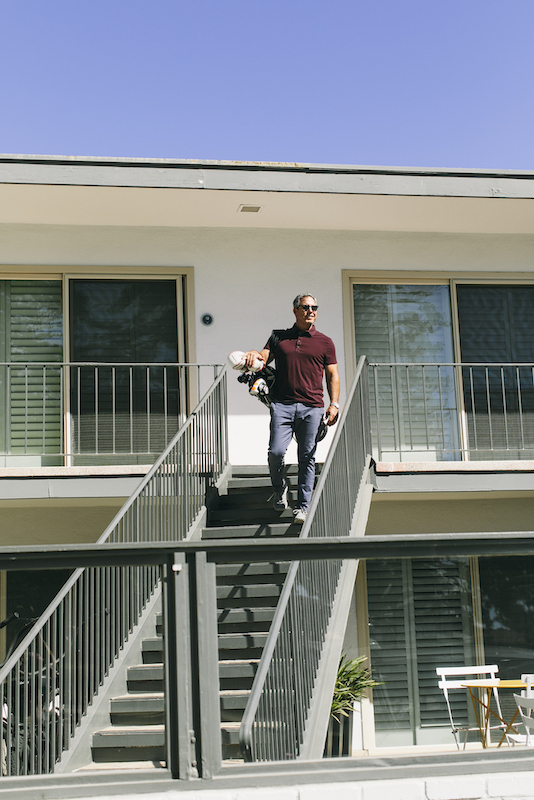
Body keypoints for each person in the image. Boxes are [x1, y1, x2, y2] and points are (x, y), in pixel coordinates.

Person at [244, 293, 340, 524]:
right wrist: (252, 355)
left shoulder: (325, 342)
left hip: (312, 407)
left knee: (306, 456)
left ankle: (303, 507)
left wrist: (334, 403)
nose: (311, 311)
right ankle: (280, 489)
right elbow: (263, 357)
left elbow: (332, 375)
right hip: (282, 405)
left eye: (314, 307)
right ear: (295, 310)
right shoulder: (279, 337)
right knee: (276, 452)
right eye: (306, 307)